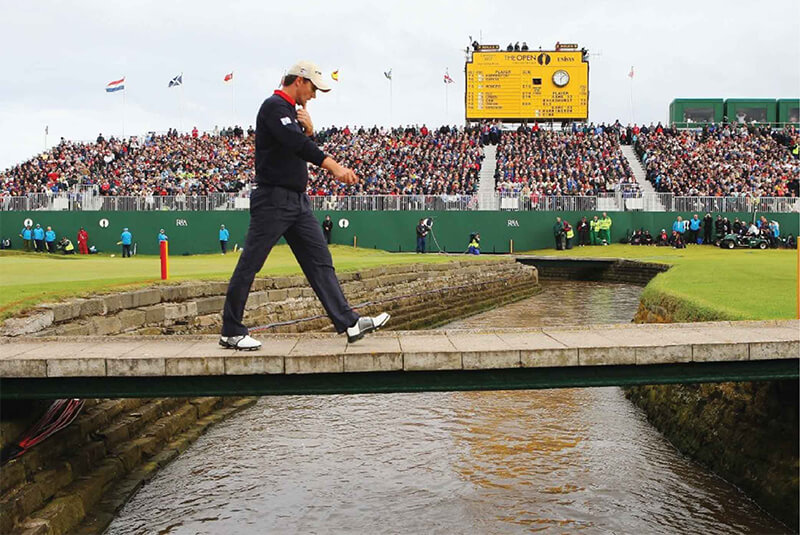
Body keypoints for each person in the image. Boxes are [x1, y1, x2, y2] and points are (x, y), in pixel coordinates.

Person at [219, 60, 389, 351]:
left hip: (297, 201)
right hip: (273, 199)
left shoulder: (292, 113)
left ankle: (348, 322)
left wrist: (309, 132)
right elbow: (295, 145)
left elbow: (297, 144)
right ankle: (231, 331)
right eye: (313, 88)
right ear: (298, 81)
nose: (314, 95)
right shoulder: (273, 106)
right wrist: (333, 165)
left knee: (320, 261)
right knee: (250, 264)